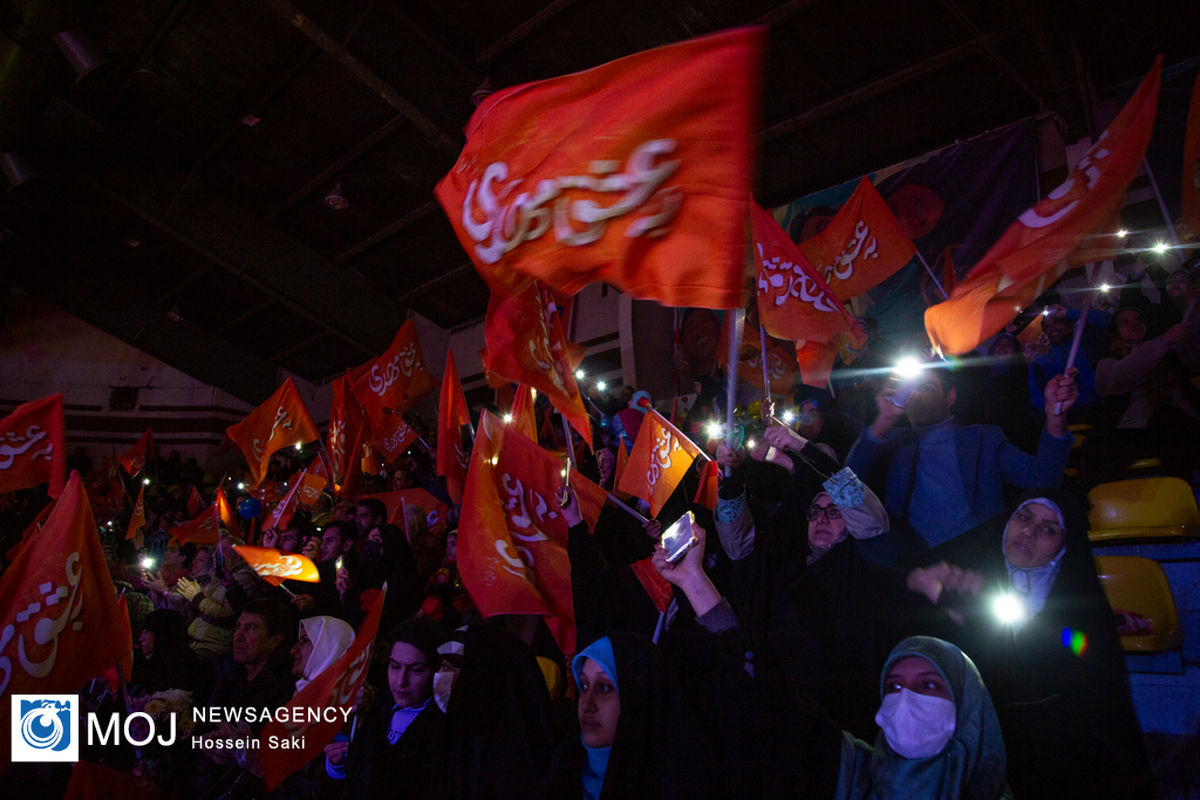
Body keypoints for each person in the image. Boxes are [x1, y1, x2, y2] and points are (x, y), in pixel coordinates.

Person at [652, 513, 1010, 799]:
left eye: (929, 684)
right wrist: (692, 579)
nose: (907, 700)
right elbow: (763, 683)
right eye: (895, 687)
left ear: (969, 707)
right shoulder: (848, 770)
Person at [906, 490, 1153, 799]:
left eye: (1048, 529)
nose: (1029, 532)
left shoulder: (1079, 602)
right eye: (1023, 518)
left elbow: (1068, 661)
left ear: (1065, 545)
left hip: (1055, 746)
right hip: (975, 737)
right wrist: (924, 586)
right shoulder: (963, 572)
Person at [845, 361, 1077, 562]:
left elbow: (1044, 479)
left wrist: (1055, 417)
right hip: (912, 564)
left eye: (926, 387)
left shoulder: (984, 439)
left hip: (977, 560)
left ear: (950, 396)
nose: (916, 395)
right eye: (911, 389)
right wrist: (882, 422)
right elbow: (842, 487)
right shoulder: (892, 442)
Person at [537, 632, 725, 799]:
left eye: (604, 688)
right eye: (584, 686)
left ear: (638, 697)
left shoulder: (685, 786)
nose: (587, 704)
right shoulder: (560, 780)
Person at [326, 616, 447, 798]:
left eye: (416, 669)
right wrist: (337, 762)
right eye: (395, 666)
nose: (401, 681)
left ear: (436, 670)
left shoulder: (441, 727)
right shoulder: (379, 705)